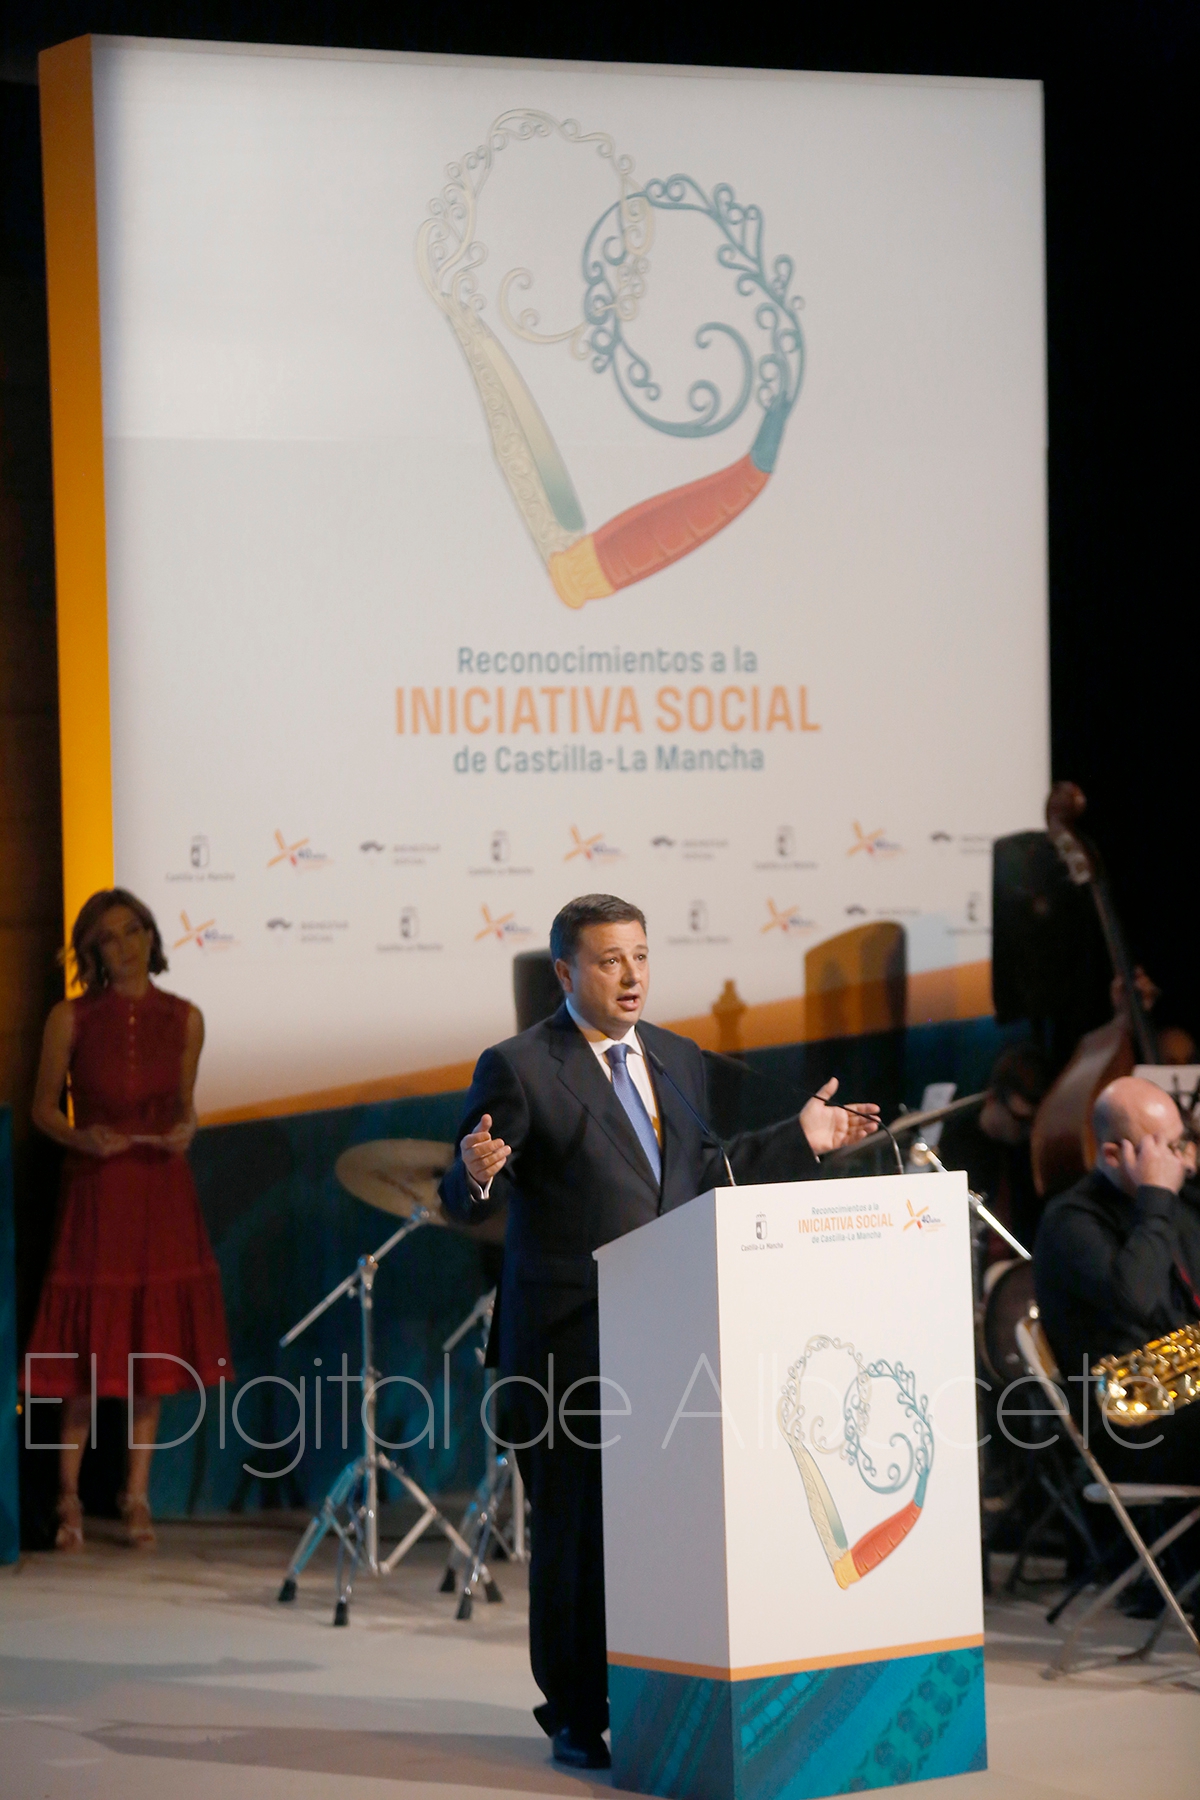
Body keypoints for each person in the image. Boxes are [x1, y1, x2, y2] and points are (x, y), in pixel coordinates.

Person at [439, 893, 879, 1770]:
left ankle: (659, 1693)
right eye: (609, 960)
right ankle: (575, 1712)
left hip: (671, 1338)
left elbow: (704, 1173)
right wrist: (474, 1171)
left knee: (664, 1536)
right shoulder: (520, 1066)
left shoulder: (676, 1057)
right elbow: (466, 1196)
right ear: (565, 972)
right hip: (565, 1346)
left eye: (640, 955)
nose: (631, 975)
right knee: (576, 1540)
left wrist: (801, 1139)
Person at [25, 889, 232, 1550]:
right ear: (92, 952)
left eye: (134, 930)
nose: (125, 946)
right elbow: (41, 1109)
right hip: (98, 1192)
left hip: (160, 1193)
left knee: (151, 1347)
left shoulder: (186, 1018)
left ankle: (135, 1493)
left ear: (151, 936)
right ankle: (68, 1497)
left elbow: (186, 1107)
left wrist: (187, 1129)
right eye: (109, 937)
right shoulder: (71, 1018)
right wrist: (82, 1139)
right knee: (85, 1354)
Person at [1033, 1074, 1200, 1484]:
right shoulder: (1070, 1222)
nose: (1185, 1162)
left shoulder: (1181, 1203)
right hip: (1133, 1428)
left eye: (1183, 1143)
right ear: (1112, 1154)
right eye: (1169, 1149)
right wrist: (1156, 1199)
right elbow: (1137, 1298)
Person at [938, 1042, 1052, 1261]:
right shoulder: (954, 1145)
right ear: (992, 1099)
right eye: (1020, 1120)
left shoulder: (1026, 1153)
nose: (1029, 1132)